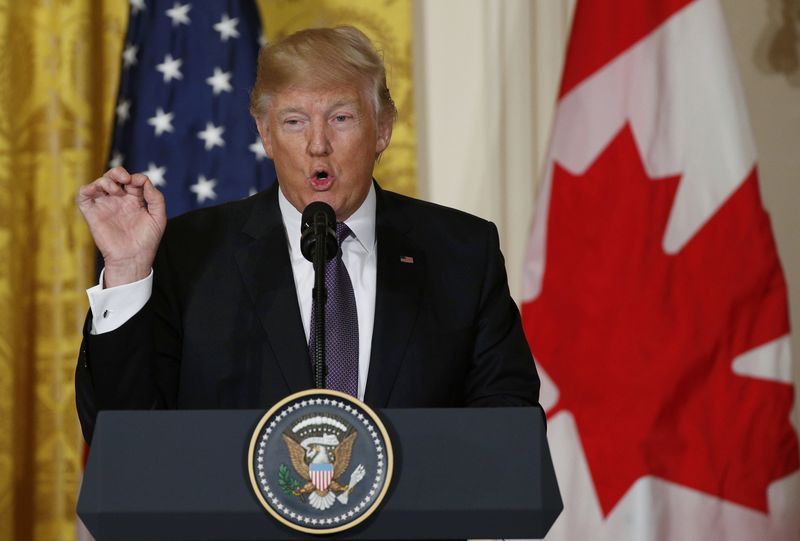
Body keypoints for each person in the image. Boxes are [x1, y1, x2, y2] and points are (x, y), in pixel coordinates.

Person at [75, 26, 540, 443]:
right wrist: (127, 270)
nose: (318, 144)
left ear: (382, 130)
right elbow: (119, 432)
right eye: (294, 121)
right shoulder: (190, 252)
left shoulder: (460, 251)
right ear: (265, 134)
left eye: (341, 118)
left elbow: (509, 423)